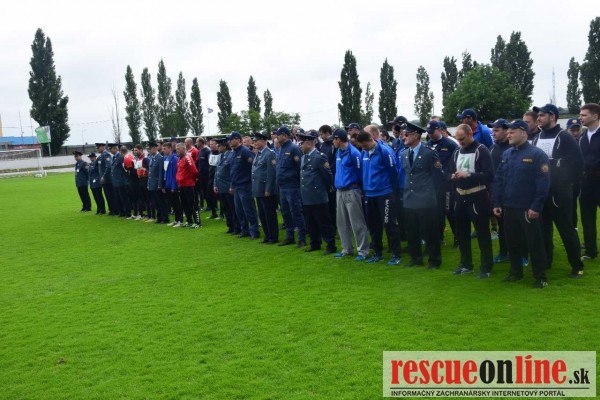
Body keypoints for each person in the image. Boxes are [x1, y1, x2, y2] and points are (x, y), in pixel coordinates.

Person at [492, 120, 550, 288]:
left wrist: (536, 206)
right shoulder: (507, 154)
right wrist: (497, 202)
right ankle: (515, 272)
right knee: (512, 243)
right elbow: (499, 180)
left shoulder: (537, 154)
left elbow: (543, 183)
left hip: (527, 208)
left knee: (534, 243)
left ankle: (540, 277)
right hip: (509, 207)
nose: (508, 135)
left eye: (512, 132)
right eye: (508, 132)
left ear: (523, 133)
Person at [531, 103, 584, 278]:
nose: (539, 118)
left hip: (559, 193)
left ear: (552, 116)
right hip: (541, 193)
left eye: (542, 115)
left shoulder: (565, 137)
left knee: (566, 229)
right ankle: (547, 261)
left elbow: (578, 164)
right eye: (538, 116)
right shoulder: (537, 137)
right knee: (543, 230)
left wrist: (566, 184)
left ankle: (577, 265)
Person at [449, 124, 494, 278]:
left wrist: (468, 175)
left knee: (482, 233)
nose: (460, 142)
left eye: (462, 139)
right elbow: (448, 172)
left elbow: (489, 175)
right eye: (458, 139)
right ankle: (466, 264)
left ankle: (486, 267)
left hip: (477, 196)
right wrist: (452, 176)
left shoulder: (482, 150)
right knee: (462, 233)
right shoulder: (457, 151)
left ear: (470, 134)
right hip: (460, 196)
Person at [401, 122, 444, 268]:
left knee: (430, 232)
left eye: (407, 134)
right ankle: (415, 258)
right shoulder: (404, 154)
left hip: (426, 200)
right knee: (412, 231)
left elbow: (438, 177)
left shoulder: (429, 153)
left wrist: (432, 196)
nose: (404, 137)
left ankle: (434, 260)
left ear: (416, 135)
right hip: (409, 198)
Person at [356, 130, 402, 265]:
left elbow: (394, 172)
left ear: (371, 140)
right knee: (373, 225)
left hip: (385, 193)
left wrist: (390, 189)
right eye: (361, 146)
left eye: (365, 145)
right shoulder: (364, 153)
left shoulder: (384, 151)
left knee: (389, 224)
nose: (363, 148)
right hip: (369, 194)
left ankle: (396, 254)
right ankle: (378, 253)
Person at [332, 128, 370, 261]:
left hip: (352, 189)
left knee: (357, 222)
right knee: (341, 222)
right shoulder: (338, 152)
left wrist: (360, 190)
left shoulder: (354, 153)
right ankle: (347, 249)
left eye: (334, 139)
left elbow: (360, 173)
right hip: (340, 191)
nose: (333, 142)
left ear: (338, 139)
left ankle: (363, 251)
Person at [298, 130, 337, 255]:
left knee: (324, 222)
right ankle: (315, 243)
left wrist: (327, 188)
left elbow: (327, 175)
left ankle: (330, 245)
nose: (300, 145)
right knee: (311, 223)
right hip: (306, 195)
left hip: (318, 195)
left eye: (302, 143)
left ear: (309, 143)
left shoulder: (319, 157)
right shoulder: (304, 157)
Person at [426, 120, 458, 245]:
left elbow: (456, 162)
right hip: (434, 185)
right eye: (428, 132)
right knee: (437, 212)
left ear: (439, 130)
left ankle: (457, 237)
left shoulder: (450, 144)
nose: (430, 134)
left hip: (447, 184)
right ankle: (439, 238)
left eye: (432, 132)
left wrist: (451, 176)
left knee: (450, 211)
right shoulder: (427, 145)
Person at [275, 125, 306, 247]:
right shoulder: (281, 148)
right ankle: (290, 236)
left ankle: (302, 238)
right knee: (285, 212)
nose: (276, 137)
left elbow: (300, 168)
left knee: (296, 212)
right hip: (282, 186)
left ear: (285, 135)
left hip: (292, 186)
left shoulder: (293, 148)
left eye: (278, 135)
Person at [579, 103, 600, 261]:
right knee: (587, 218)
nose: (581, 118)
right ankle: (591, 251)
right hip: (586, 183)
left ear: (595, 116)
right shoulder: (582, 137)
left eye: (584, 115)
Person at [228, 131, 259, 239]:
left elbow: (253, 167)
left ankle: (254, 231)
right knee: (239, 210)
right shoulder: (233, 152)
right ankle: (244, 230)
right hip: (237, 186)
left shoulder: (245, 151)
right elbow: (233, 170)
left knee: (249, 209)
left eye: (231, 139)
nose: (229, 142)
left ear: (238, 139)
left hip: (245, 185)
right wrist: (232, 185)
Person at [488, 119, 511, 263]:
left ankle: (521, 254)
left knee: (515, 226)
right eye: (493, 130)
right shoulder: (492, 148)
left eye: (496, 130)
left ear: (506, 130)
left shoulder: (512, 147)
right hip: (497, 193)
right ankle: (503, 252)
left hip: (512, 193)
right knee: (502, 225)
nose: (493, 133)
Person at [252, 132, 279, 244]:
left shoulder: (269, 154)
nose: (254, 143)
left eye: (256, 141)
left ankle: (273, 236)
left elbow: (271, 174)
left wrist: (268, 189)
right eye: (254, 141)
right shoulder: (259, 154)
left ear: (263, 141)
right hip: (258, 189)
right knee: (262, 214)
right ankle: (267, 235)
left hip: (266, 190)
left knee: (269, 214)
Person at [214, 139, 238, 233]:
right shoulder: (220, 156)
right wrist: (215, 184)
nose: (217, 147)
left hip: (228, 187)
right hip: (220, 187)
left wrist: (232, 186)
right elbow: (217, 172)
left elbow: (232, 172)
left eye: (219, 145)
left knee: (232, 208)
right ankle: (230, 226)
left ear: (224, 146)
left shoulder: (230, 155)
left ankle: (236, 227)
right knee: (225, 208)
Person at [317, 125, 337, 230]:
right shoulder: (322, 145)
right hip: (323, 178)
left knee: (332, 204)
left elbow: (336, 161)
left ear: (327, 133)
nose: (321, 137)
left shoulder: (333, 145)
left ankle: (334, 226)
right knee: (326, 204)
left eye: (322, 134)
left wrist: (328, 168)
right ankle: (328, 226)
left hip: (332, 177)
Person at [175, 143, 199, 228]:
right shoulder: (179, 159)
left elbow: (194, 171)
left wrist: (191, 180)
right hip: (181, 185)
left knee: (192, 204)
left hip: (188, 185)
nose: (177, 150)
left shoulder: (188, 158)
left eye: (178, 149)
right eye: (176, 149)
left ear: (183, 149)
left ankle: (197, 222)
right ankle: (189, 221)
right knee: (184, 204)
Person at [567, 118, 583, 228]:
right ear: (567, 130)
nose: (575, 133)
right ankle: (573, 229)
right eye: (572, 130)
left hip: (583, 180)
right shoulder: (563, 144)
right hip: (569, 181)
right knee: (571, 207)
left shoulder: (584, 141)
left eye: (578, 130)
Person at [147, 142, 169, 224]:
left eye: (150, 149)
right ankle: (159, 218)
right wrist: (148, 184)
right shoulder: (152, 158)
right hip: (152, 184)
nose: (149, 151)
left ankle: (165, 218)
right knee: (156, 202)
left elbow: (160, 173)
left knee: (161, 202)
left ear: (155, 149)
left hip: (157, 184)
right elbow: (150, 173)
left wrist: (160, 185)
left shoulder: (160, 158)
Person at [163, 142, 183, 227]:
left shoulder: (174, 159)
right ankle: (176, 220)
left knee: (177, 203)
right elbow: (165, 172)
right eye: (163, 149)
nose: (163, 150)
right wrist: (164, 185)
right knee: (172, 204)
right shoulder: (165, 158)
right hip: (167, 184)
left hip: (173, 185)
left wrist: (173, 186)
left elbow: (175, 173)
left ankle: (180, 220)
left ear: (170, 149)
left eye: (165, 149)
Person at [197, 137, 217, 218]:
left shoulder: (208, 151)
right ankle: (211, 209)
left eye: (212, 144)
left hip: (209, 175)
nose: (211, 145)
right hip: (202, 175)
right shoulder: (200, 151)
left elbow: (210, 164)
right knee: (206, 192)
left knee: (211, 193)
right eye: (210, 144)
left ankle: (215, 208)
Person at [97, 142, 116, 215]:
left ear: (102, 147)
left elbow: (109, 166)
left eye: (98, 148)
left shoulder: (106, 154)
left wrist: (104, 176)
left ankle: (114, 210)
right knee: (107, 195)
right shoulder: (101, 156)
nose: (97, 149)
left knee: (111, 195)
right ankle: (111, 210)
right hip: (104, 180)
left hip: (107, 179)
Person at [134, 144, 152, 221]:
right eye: (134, 150)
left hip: (145, 179)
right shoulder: (138, 159)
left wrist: (145, 170)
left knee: (147, 199)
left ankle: (150, 216)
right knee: (141, 198)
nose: (135, 152)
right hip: (140, 180)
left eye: (136, 150)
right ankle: (141, 215)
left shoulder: (145, 159)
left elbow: (150, 169)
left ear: (141, 150)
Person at [110, 144, 129, 218]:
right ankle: (121, 212)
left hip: (121, 181)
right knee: (118, 198)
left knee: (123, 198)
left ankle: (127, 212)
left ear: (115, 149)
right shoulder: (114, 157)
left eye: (111, 149)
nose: (110, 150)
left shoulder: (120, 157)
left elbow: (124, 170)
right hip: (115, 181)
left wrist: (124, 179)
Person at [123, 147, 139, 220]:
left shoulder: (127, 158)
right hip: (132, 180)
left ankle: (137, 214)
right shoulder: (131, 157)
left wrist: (127, 170)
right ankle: (136, 213)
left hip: (132, 181)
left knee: (135, 198)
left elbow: (128, 169)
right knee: (133, 199)